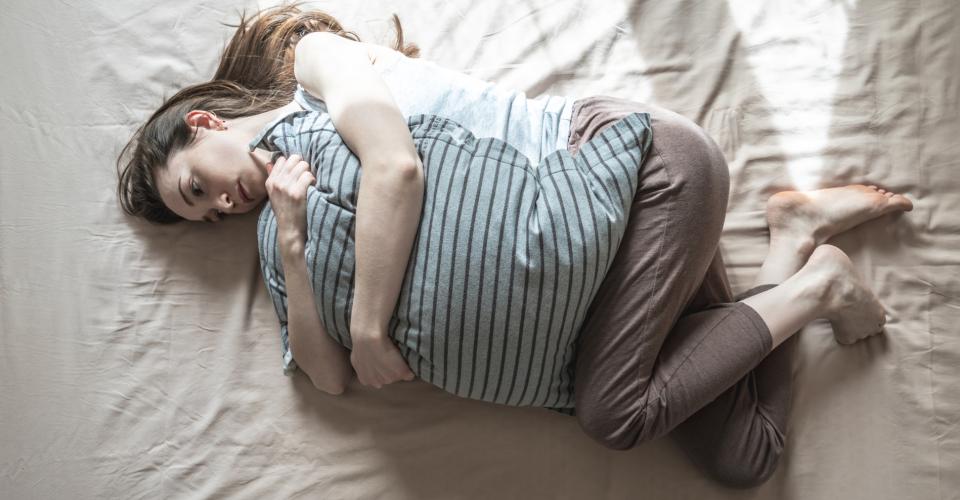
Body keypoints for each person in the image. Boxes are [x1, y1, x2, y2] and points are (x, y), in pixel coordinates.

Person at [115, 3, 914, 488]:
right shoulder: (277, 232)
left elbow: (395, 166)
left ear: (205, 124)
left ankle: (818, 288)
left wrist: (366, 328)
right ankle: (792, 244)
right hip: (609, 291)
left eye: (199, 186)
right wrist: (288, 240)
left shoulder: (311, 74)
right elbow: (326, 381)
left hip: (633, 181)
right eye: (209, 216)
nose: (224, 202)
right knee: (745, 455)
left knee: (614, 413)